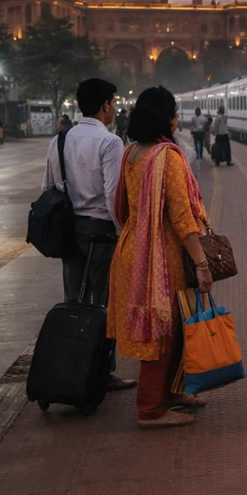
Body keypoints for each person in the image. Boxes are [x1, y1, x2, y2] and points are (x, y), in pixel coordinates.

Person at [109, 86, 213, 428]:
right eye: (174, 112)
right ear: (166, 117)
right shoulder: (166, 156)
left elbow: (120, 207)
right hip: (159, 255)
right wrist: (201, 262)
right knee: (161, 329)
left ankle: (170, 391)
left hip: (132, 248)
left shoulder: (131, 153)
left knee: (170, 325)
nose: (178, 118)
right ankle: (151, 408)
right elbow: (182, 218)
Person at [40, 78, 135, 392]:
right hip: (101, 233)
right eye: (114, 103)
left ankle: (71, 369)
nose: (116, 108)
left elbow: (48, 189)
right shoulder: (109, 141)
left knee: (72, 300)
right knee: (102, 304)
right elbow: (112, 195)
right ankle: (101, 373)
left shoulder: (60, 139)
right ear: (106, 105)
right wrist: (123, 231)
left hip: (70, 232)